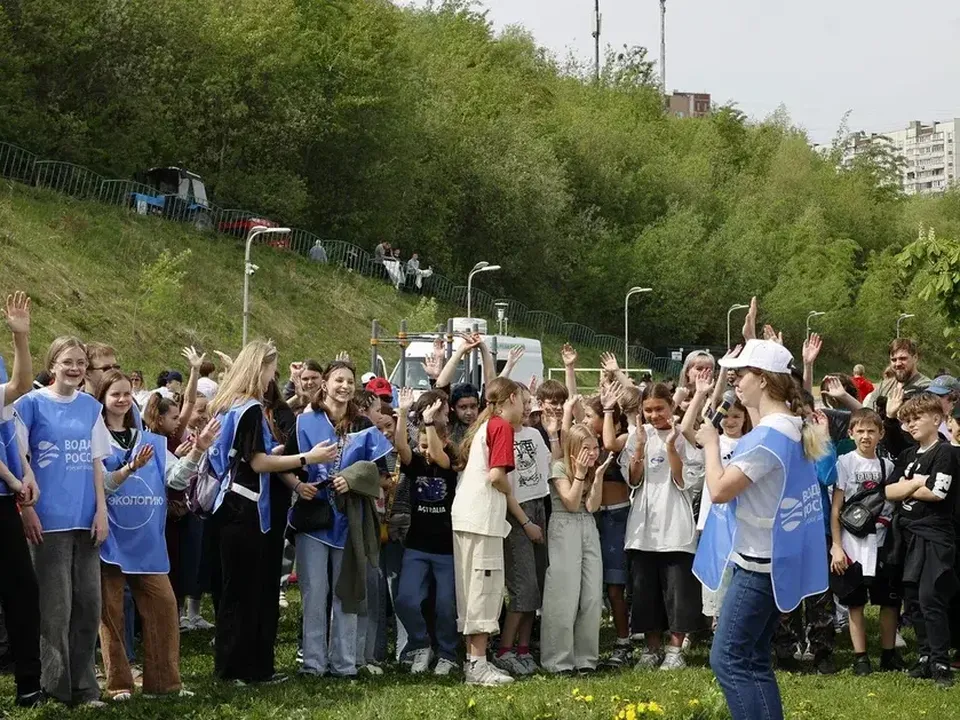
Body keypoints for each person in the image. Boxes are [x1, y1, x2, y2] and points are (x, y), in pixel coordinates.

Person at [694, 338, 829, 720]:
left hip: (759, 565)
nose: (735, 382)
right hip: (774, 558)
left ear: (764, 380)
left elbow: (720, 490)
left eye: (742, 375)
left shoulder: (769, 437)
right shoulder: (788, 426)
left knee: (729, 660)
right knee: (752, 658)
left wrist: (710, 444)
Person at [207, 340, 331, 684]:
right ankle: (236, 669)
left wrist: (278, 452)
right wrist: (307, 458)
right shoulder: (247, 408)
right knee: (245, 591)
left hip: (241, 506)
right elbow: (258, 461)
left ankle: (254, 667)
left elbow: (247, 454)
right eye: (270, 371)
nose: (271, 379)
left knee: (252, 590)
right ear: (258, 369)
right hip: (244, 508)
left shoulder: (236, 406)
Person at [96, 369, 217, 700]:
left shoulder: (149, 441)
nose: (121, 400)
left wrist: (197, 451)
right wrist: (129, 469)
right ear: (103, 400)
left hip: (148, 539)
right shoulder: (96, 439)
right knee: (112, 613)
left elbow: (175, 481)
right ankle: (119, 683)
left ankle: (163, 683)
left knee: (163, 606)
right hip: (111, 537)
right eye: (114, 395)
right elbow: (102, 486)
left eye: (125, 395)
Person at [16, 336, 112, 707]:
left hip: (85, 520)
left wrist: (101, 511)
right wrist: (27, 503)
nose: (75, 369)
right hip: (48, 521)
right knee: (57, 610)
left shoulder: (90, 407)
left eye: (81, 363)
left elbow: (96, 463)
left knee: (89, 606)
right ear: (53, 363)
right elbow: (16, 452)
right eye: (67, 362)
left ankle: (85, 688)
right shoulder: (30, 405)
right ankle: (56, 687)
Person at [287, 360, 392, 678]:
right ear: (325, 384)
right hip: (314, 520)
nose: (344, 386)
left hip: (350, 523)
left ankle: (344, 663)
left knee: (346, 593)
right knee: (314, 592)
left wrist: (354, 478)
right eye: (338, 380)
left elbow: (385, 477)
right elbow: (287, 465)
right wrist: (299, 485)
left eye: (349, 381)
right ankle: (313, 663)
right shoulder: (305, 422)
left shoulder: (364, 425)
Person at [451, 377, 524, 686]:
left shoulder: (484, 426)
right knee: (484, 590)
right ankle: (478, 665)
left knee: (471, 591)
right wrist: (511, 491)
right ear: (510, 399)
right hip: (482, 519)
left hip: (467, 517)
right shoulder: (501, 427)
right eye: (523, 399)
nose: (525, 406)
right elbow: (496, 477)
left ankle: (474, 662)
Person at [624, 382, 702, 670]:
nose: (654, 415)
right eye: (648, 410)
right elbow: (633, 479)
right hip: (643, 527)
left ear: (672, 407)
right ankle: (652, 647)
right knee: (645, 591)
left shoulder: (684, 437)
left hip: (675, 523)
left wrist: (670, 448)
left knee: (677, 591)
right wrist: (641, 446)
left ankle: (675, 649)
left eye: (660, 409)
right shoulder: (636, 436)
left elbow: (684, 481)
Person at [884, 392, 958, 687]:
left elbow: (936, 493)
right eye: (907, 419)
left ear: (937, 419)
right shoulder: (907, 456)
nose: (911, 424)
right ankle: (925, 656)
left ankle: (941, 661)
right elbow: (888, 492)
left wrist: (907, 486)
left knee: (931, 597)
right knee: (912, 598)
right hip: (907, 534)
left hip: (935, 534)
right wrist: (916, 482)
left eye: (917, 418)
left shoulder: (945, 453)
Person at [390, 388, 459, 676]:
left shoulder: (450, 465)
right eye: (420, 444)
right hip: (417, 546)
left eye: (428, 444)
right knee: (405, 599)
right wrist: (404, 413)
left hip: (445, 549)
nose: (423, 450)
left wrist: (430, 425)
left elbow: (440, 458)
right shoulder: (416, 462)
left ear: (443, 442)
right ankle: (421, 644)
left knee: (445, 606)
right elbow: (401, 447)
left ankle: (448, 653)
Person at [828, 408, 901, 676]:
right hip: (852, 541)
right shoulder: (845, 463)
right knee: (855, 601)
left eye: (871, 431)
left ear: (881, 434)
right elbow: (836, 508)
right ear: (851, 433)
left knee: (889, 601)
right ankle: (861, 657)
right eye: (860, 431)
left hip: (882, 542)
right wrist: (836, 546)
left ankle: (888, 653)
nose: (866, 436)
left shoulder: (888, 466)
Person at [0, 292, 43, 708]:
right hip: (6, 489)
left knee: (22, 591)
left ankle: (29, 684)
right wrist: (16, 480)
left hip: (2, 502)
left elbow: (18, 388)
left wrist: (21, 339)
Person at [540, 425, 607, 674]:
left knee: (591, 595)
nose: (591, 453)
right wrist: (579, 475)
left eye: (594, 448)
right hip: (564, 525)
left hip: (587, 525)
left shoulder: (590, 469)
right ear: (574, 449)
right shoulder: (559, 466)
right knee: (563, 594)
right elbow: (569, 502)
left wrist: (596, 478)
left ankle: (585, 659)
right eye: (586, 448)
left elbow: (591, 506)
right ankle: (558, 660)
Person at [495, 384, 550, 677]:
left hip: (539, 506)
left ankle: (524, 649)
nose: (528, 407)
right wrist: (526, 523)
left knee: (536, 586)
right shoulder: (501, 434)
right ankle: (505, 649)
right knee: (522, 585)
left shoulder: (535, 435)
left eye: (531, 402)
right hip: (517, 513)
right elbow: (504, 488)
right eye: (523, 401)